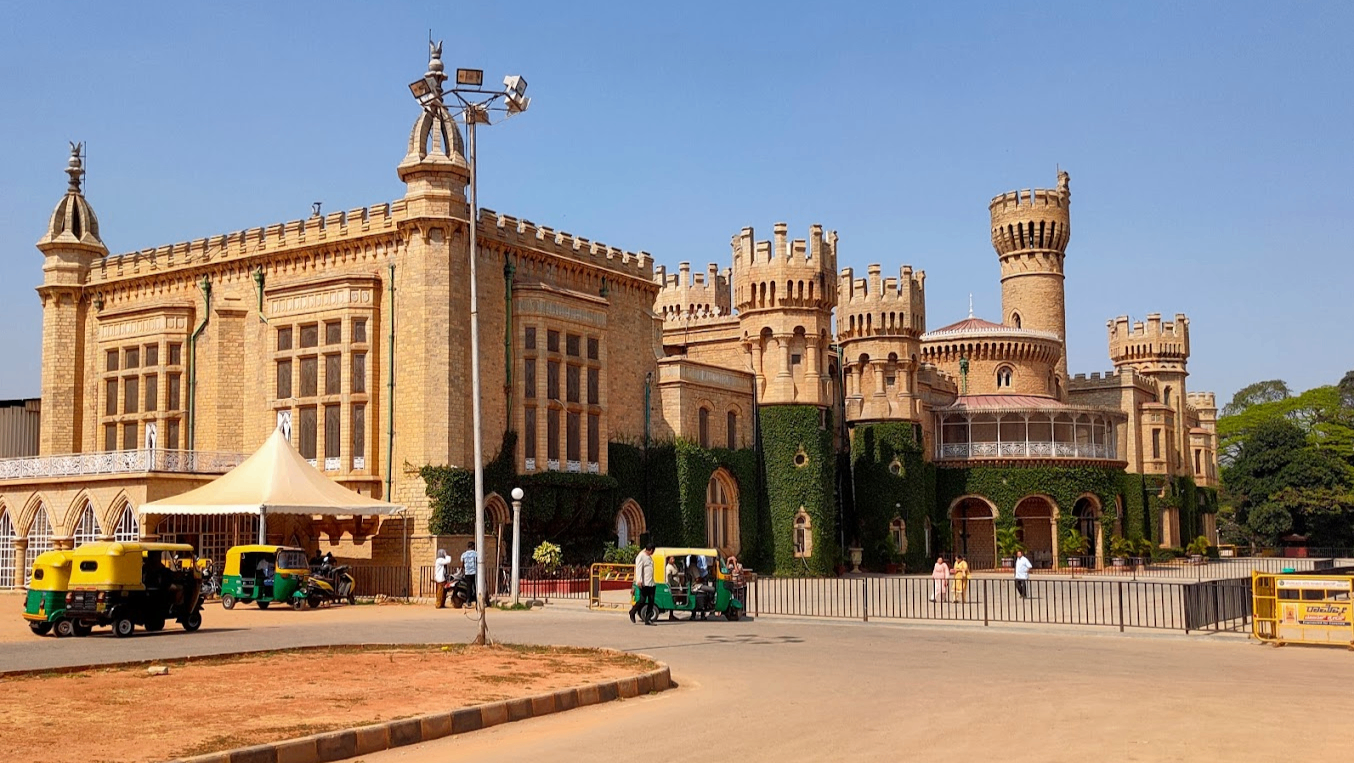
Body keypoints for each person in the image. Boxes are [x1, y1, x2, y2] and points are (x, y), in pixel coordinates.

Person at [629, 543, 657, 626]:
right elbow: (638, 568)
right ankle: (632, 612)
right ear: (651, 550)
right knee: (642, 600)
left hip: (651, 583)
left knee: (651, 601)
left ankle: (648, 619)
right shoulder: (641, 556)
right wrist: (639, 580)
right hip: (644, 583)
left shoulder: (649, 557)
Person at [460, 542, 480, 608]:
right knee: (475, 586)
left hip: (467, 573)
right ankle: (477, 601)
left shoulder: (464, 554)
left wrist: (461, 571)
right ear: (472, 546)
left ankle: (468, 601)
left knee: (469, 587)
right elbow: (478, 563)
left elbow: (462, 565)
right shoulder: (476, 554)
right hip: (474, 572)